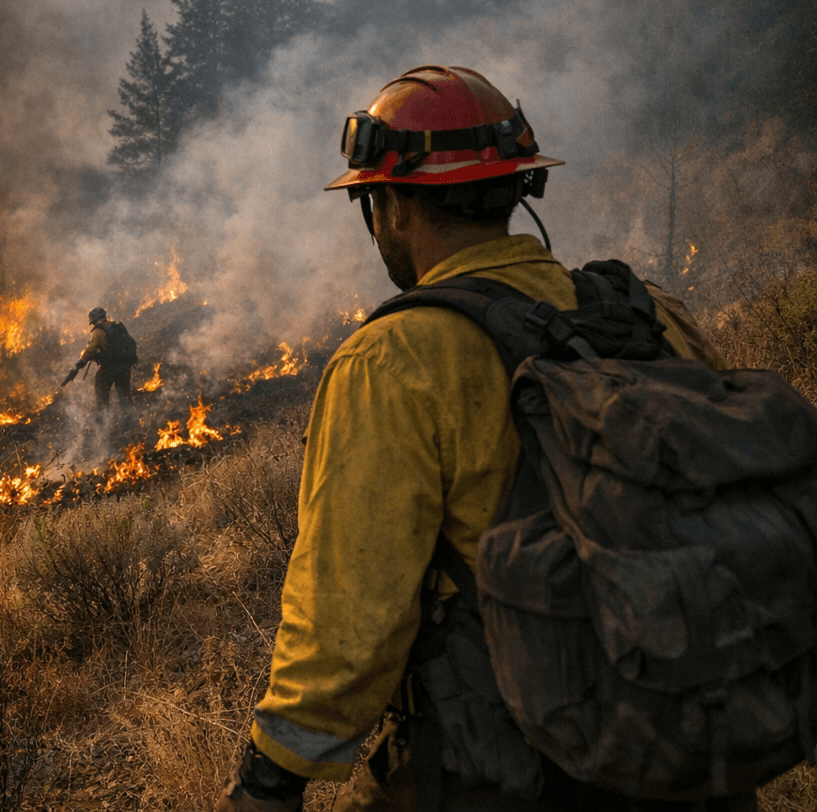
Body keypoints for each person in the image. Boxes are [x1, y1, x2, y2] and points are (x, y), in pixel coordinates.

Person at [216, 67, 733, 812]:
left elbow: (348, 614)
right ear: (516, 190)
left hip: (513, 770)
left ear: (388, 207)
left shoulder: (393, 361)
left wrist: (272, 777)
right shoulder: (649, 313)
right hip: (692, 744)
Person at [73, 306, 138, 411]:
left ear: (94, 320)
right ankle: (130, 419)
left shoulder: (97, 331)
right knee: (124, 394)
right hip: (124, 365)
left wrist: (80, 362)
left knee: (101, 391)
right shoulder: (117, 326)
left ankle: (105, 419)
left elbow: (90, 350)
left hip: (109, 367)